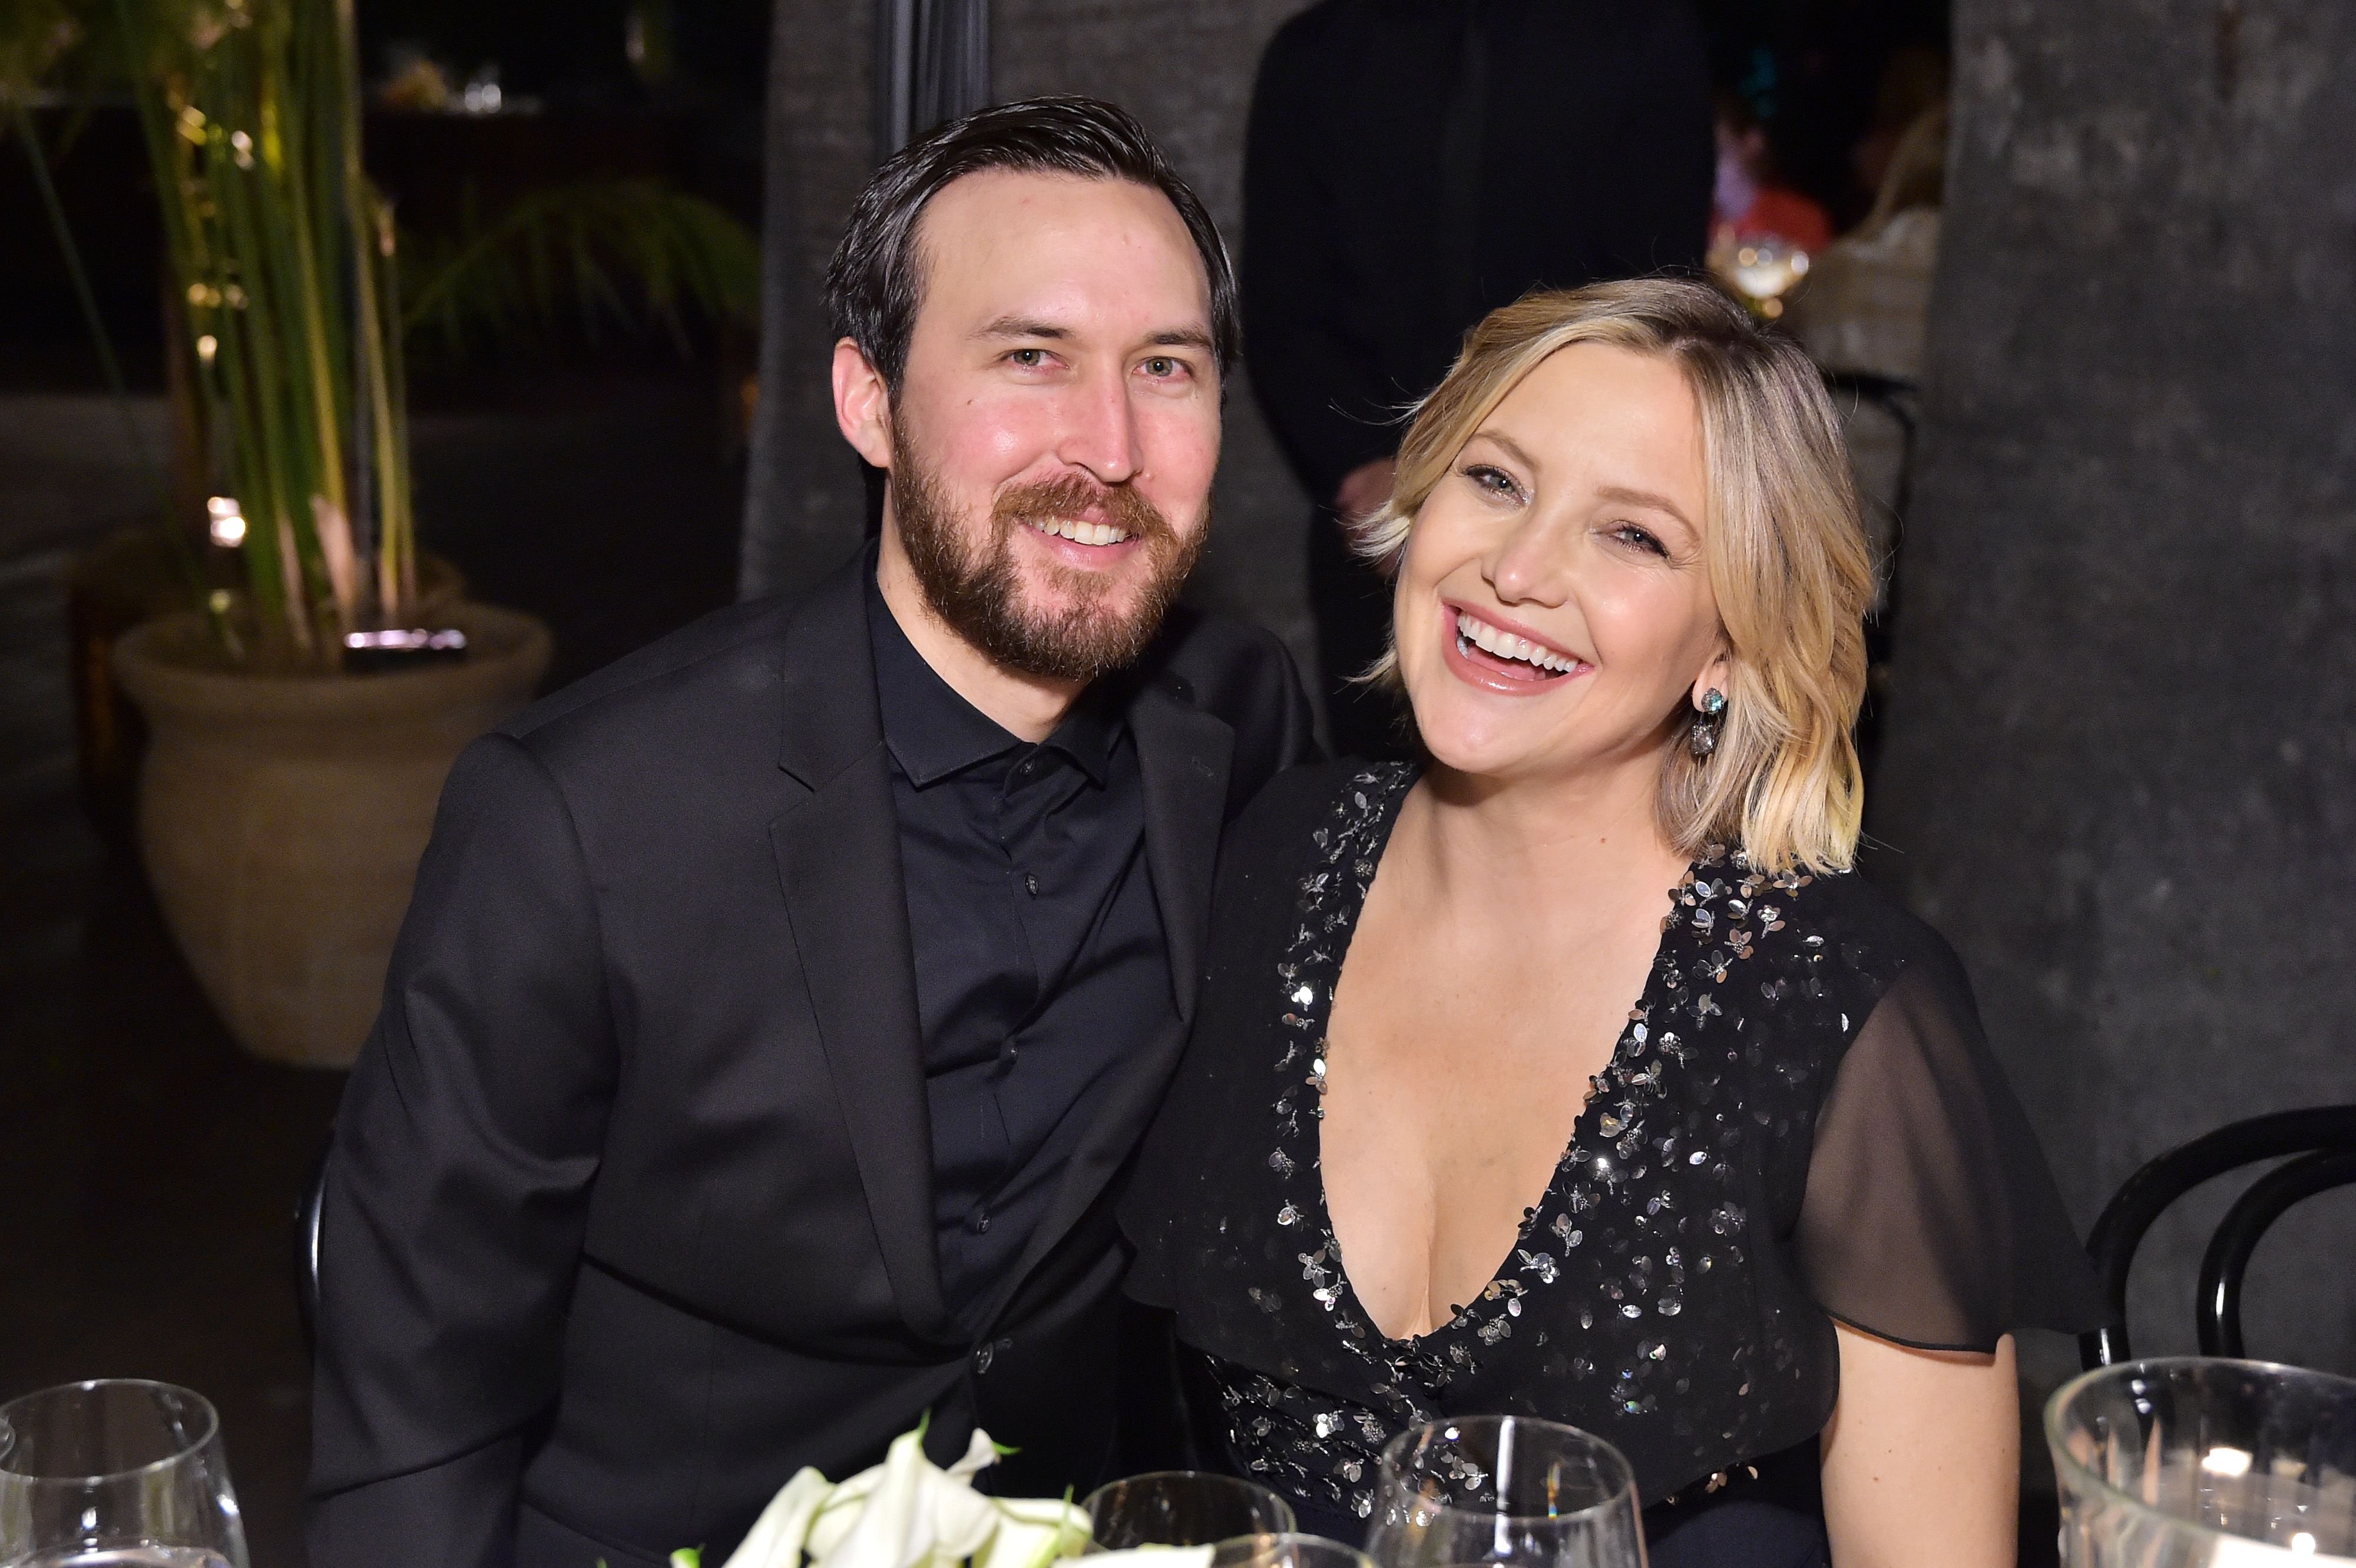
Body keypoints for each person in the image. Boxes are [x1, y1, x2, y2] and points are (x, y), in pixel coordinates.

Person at [307, 96, 1318, 1568]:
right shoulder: (582, 818)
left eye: (1165, 368)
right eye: (1029, 357)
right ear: (866, 401)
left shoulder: (1238, 727)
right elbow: (417, 1399)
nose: (1108, 444)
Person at [1120, 279, 2103, 1568]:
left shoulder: (1835, 1011)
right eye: (1495, 480)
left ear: (1732, 648)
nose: (1517, 571)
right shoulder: (1256, 863)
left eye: (1631, 537)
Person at [1240, 0, 1714, 758]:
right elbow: (1284, 308)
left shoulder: (1644, 40)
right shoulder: (1318, 54)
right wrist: (1376, 472)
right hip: (1377, 516)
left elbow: (1663, 306)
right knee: (1384, 791)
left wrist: (1565, 490)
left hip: (1586, 514)